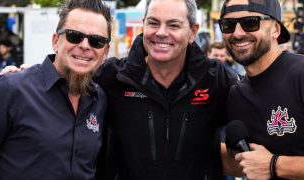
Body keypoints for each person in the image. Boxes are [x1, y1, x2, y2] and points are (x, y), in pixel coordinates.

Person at [94, 0, 238, 179]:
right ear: (143, 25)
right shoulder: (113, 78)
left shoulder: (216, 80)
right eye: (153, 23)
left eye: (174, 25)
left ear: (193, 32)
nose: (161, 33)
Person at [219, 0, 304, 179]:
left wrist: (274, 165)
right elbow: (243, 164)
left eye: (250, 23)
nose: (238, 33)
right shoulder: (235, 95)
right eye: (228, 25)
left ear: (276, 30)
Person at [0, 0, 111, 179]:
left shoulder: (101, 100)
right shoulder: (11, 89)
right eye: (74, 35)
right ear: (55, 41)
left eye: (96, 41)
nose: (85, 45)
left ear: (105, 52)